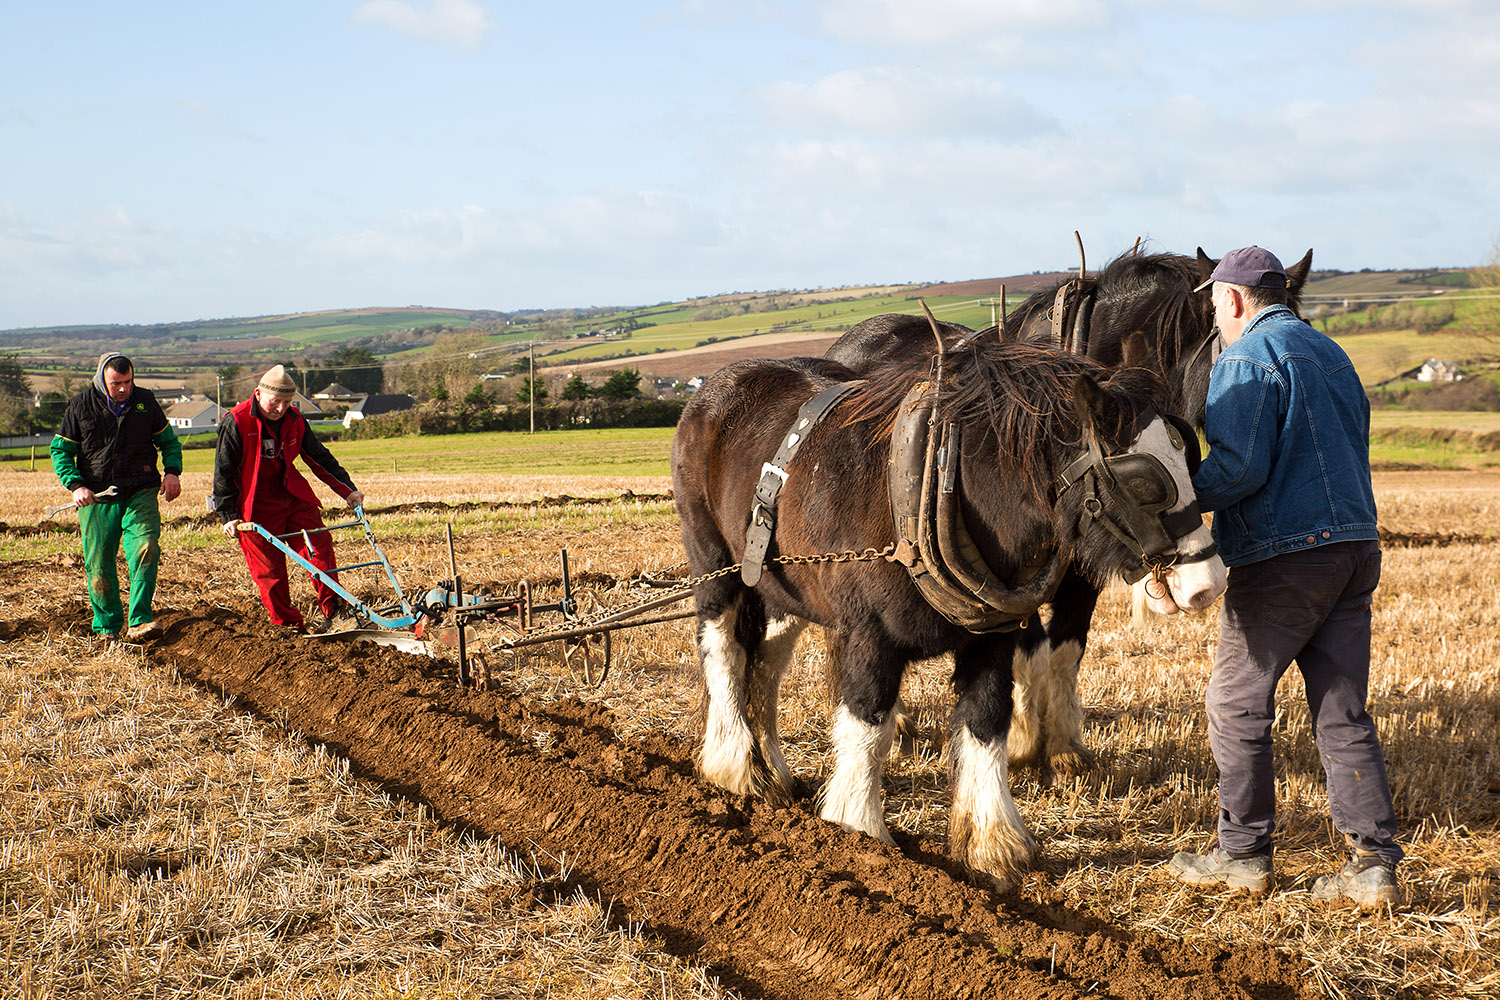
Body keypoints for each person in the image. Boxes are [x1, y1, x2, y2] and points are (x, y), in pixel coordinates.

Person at [1162, 246, 1401, 908]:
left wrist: (1171, 496)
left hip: (1285, 556)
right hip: (1355, 548)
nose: (1214, 316)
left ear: (1235, 299)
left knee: (1236, 706)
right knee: (1341, 709)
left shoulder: (1245, 358)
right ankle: (1373, 866)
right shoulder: (1334, 355)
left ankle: (1243, 858)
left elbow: (1238, 469)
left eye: (1214, 304)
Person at [213, 364, 365, 632]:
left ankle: (336, 611)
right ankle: (289, 626)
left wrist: (347, 490)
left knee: (319, 548)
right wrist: (228, 515)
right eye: (276, 401)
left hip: (293, 497)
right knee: (269, 572)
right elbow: (224, 471)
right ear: (258, 394)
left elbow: (318, 457)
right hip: (255, 505)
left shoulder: (294, 419)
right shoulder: (236, 421)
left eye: (287, 402)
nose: (281, 408)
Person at [50, 352, 183, 641]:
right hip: (97, 495)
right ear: (101, 379)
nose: (123, 389)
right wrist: (75, 486)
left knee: (145, 548)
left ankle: (140, 621)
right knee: (98, 562)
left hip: (141, 489)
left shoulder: (145, 401)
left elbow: (168, 442)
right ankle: (108, 627)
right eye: (116, 383)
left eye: (128, 381)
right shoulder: (80, 405)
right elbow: (60, 450)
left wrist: (172, 471)